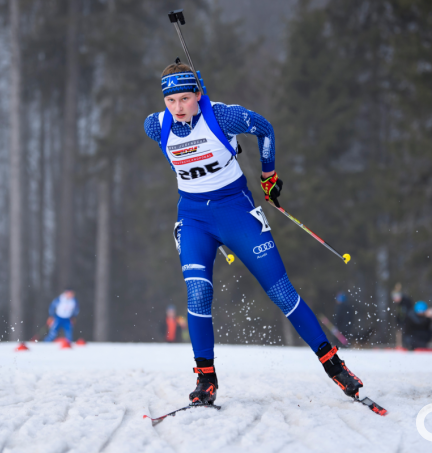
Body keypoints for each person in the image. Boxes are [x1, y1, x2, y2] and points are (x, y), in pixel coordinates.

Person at [143, 59, 364, 405]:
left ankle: (334, 365)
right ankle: (206, 380)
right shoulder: (156, 126)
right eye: (171, 101)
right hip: (193, 218)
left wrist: (268, 175)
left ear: (197, 94)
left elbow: (265, 128)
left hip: (236, 212)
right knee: (198, 295)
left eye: (185, 99)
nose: (178, 108)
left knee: (281, 292)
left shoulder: (223, 116)